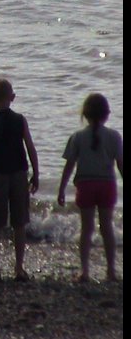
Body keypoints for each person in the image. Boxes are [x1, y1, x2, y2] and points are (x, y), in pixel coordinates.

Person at [0, 78, 39, 282]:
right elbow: (30, 148)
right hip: (19, 174)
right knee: (19, 223)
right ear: (12, 98)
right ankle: (19, 268)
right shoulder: (20, 120)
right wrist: (36, 174)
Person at [57, 93, 123, 282]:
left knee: (87, 229)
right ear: (107, 114)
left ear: (84, 114)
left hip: (86, 185)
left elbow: (69, 165)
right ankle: (110, 270)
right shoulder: (114, 136)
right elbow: (121, 164)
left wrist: (62, 189)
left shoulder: (77, 137)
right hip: (107, 185)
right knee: (107, 228)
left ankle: (84, 271)